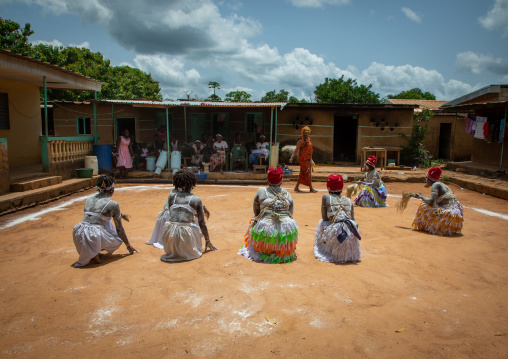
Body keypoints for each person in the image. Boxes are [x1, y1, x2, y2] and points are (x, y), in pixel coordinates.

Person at [72, 175, 136, 267]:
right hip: (93, 236)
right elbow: (119, 230)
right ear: (111, 189)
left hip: (78, 232)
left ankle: (92, 250)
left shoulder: (89, 199)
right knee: (117, 240)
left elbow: (95, 213)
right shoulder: (113, 204)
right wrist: (128, 245)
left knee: (105, 221)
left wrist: (120, 214)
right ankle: (95, 251)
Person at [239, 167, 299, 263]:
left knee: (254, 220)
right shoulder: (288, 194)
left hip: (266, 237)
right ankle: (282, 250)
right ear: (281, 179)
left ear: (267, 178)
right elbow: (290, 215)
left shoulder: (261, 191)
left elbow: (256, 213)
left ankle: (263, 248)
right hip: (285, 238)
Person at [159, 170, 217, 262]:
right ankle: (187, 249)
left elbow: (173, 214)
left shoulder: (171, 196)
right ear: (192, 184)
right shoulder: (196, 199)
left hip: (168, 234)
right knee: (195, 224)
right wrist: (207, 241)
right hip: (184, 236)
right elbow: (202, 223)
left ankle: (173, 249)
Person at [313, 174, 361, 263]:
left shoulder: (326, 197)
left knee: (322, 223)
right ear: (342, 187)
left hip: (336, 233)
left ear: (328, 187)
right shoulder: (349, 201)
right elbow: (353, 220)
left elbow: (324, 218)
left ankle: (329, 246)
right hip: (350, 235)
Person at [412, 167, 464, 236]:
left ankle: (434, 227)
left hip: (448, 215)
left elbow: (431, 202)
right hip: (455, 215)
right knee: (434, 206)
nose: (426, 180)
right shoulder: (441, 184)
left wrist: (420, 197)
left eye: (426, 178)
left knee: (423, 205)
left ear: (429, 179)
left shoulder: (435, 185)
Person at [289, 126, 317, 192]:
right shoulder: (301, 140)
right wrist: (292, 157)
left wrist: (311, 159)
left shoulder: (309, 139)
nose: (307, 131)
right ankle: (311, 188)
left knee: (303, 172)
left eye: (308, 130)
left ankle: (296, 187)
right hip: (303, 159)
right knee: (307, 173)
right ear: (302, 131)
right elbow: (296, 149)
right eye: (305, 130)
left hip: (308, 158)